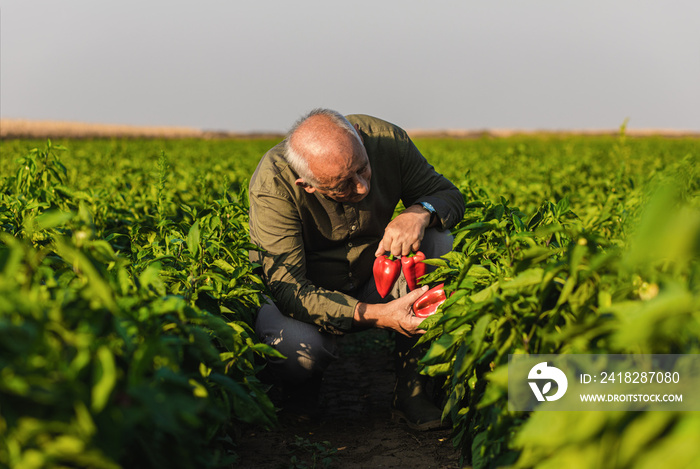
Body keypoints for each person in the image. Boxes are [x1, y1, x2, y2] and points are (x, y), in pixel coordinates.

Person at [248, 109, 465, 430]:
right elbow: (289, 290)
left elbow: (448, 195)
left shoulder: (386, 141)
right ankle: (300, 388)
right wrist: (382, 316)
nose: (362, 188)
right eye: (342, 186)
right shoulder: (274, 184)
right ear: (306, 185)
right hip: (306, 294)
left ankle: (413, 388)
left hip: (372, 274)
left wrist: (420, 212)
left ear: (360, 140)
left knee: (438, 241)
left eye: (364, 170)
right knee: (296, 349)